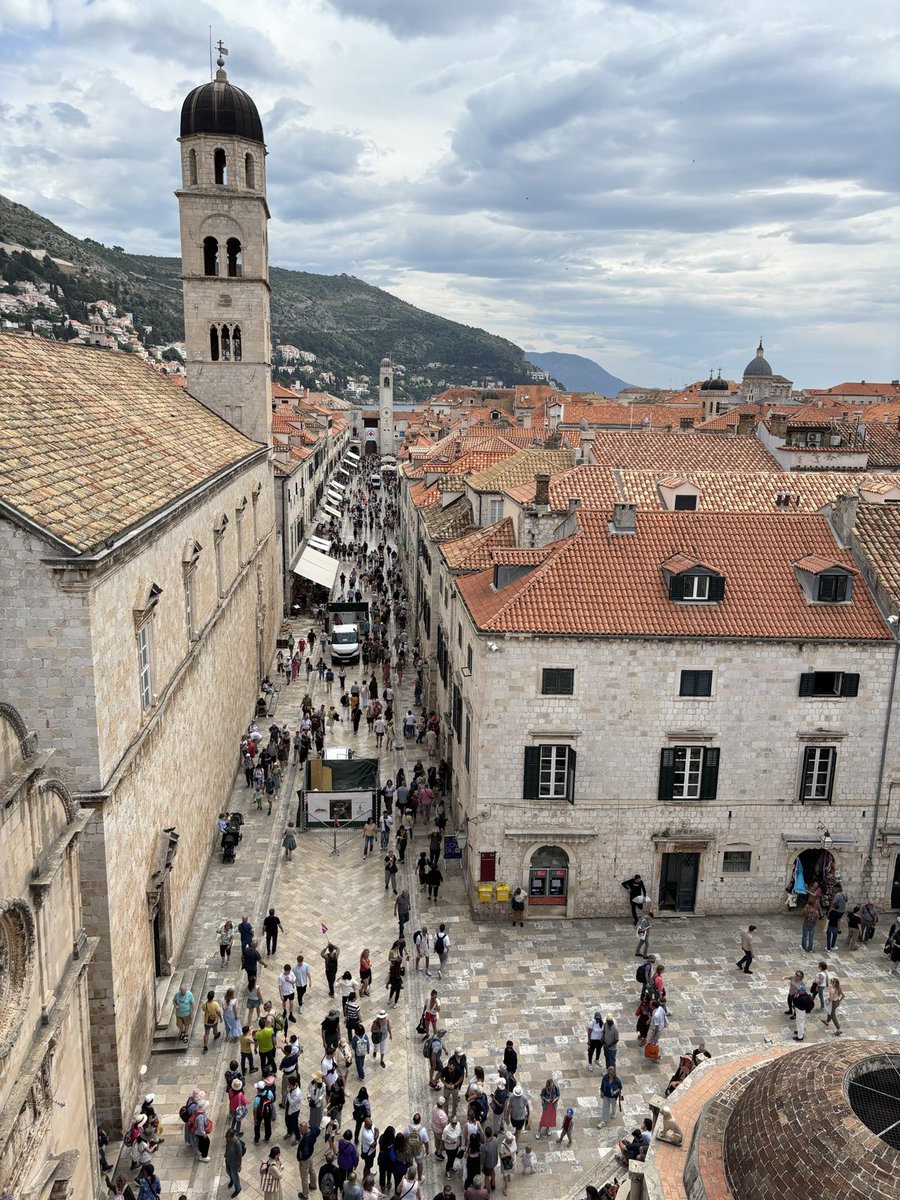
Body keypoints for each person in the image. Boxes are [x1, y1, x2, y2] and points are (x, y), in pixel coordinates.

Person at [224, 1127, 245, 1195]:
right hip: (228, 1159)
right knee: (228, 1171)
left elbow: (240, 1154)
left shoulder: (237, 1143)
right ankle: (232, 1179)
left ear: (232, 1136)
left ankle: (238, 1188)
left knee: (235, 1175)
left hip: (234, 1162)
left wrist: (239, 1165)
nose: (226, 1138)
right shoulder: (228, 1139)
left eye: (228, 1136)